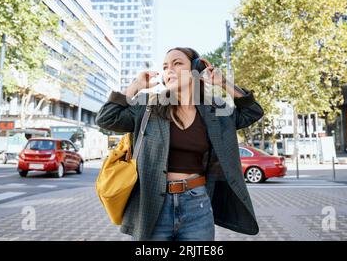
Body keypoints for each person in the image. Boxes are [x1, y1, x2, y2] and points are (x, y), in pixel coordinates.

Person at [96, 47, 264, 241]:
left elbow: (253, 112)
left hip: (197, 205)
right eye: (166, 66)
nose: (169, 70)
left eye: (177, 63)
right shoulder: (149, 106)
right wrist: (135, 86)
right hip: (152, 205)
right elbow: (106, 118)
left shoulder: (214, 110)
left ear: (195, 69)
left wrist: (223, 83)